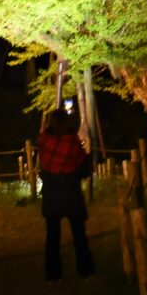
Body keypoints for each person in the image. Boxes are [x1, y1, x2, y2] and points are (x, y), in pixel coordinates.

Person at [37, 107, 95, 282]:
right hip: (71, 191)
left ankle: (52, 274)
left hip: (51, 192)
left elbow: (43, 164)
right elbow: (83, 167)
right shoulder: (72, 142)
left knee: (52, 235)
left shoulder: (44, 140)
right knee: (79, 233)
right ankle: (85, 271)